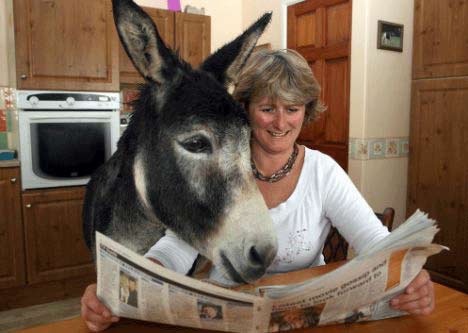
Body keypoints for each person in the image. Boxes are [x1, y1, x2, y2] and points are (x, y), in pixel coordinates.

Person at [81, 49, 435, 332]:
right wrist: (130, 281)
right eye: (267, 109)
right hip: (228, 317)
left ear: (306, 111)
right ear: (246, 110)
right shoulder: (218, 169)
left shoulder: (323, 172)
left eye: (292, 109)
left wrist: (413, 278)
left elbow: (378, 244)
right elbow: (176, 249)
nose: (281, 124)